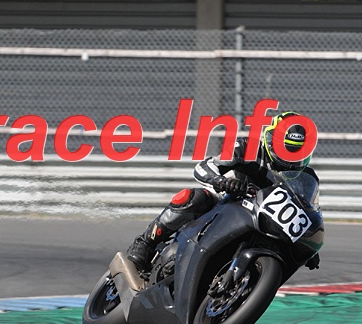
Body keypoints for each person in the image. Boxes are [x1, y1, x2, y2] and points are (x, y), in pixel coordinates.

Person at [126, 111, 320, 273]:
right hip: (228, 202)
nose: (290, 157)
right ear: (270, 140)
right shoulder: (247, 148)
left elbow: (306, 211)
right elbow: (204, 167)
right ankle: (145, 243)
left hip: (264, 222)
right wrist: (222, 181)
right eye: (287, 148)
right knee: (193, 198)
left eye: (297, 151)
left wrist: (308, 246)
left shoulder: (306, 177)